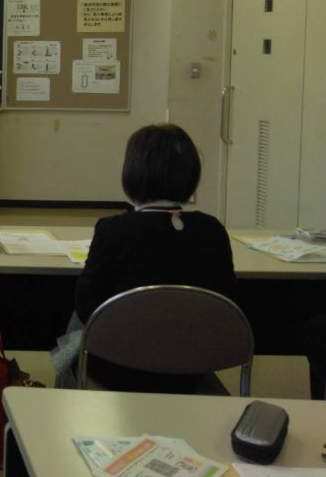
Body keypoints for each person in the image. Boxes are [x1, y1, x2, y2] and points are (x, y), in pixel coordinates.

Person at [52, 123, 237, 392]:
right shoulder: (213, 230)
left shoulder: (113, 230)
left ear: (132, 173)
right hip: (190, 365)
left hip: (119, 365)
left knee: (72, 331)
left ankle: (61, 402)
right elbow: (226, 301)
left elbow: (87, 306)